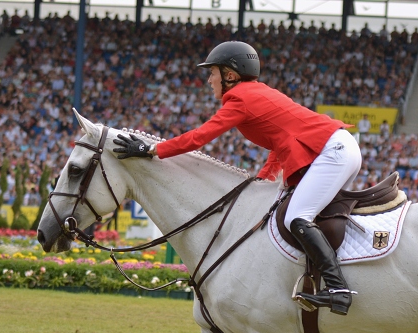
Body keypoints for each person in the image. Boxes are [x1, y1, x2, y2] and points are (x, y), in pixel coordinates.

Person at [112, 41, 362, 315]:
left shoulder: (240, 98)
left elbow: (199, 137)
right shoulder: (256, 93)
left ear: (230, 75)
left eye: (213, 73)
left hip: (331, 151)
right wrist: (262, 180)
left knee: (295, 218)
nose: (209, 80)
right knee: (301, 214)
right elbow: (281, 146)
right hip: (336, 148)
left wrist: (151, 149)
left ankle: (338, 289)